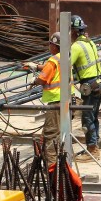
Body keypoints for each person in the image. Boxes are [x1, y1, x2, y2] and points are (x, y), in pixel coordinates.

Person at [22, 32, 72, 166]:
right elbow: (51, 69)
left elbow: (43, 79)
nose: (49, 46)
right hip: (67, 100)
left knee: (50, 135)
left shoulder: (53, 59)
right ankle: (56, 166)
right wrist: (37, 66)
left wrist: (35, 80)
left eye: (51, 44)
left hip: (56, 102)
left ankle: (52, 169)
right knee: (55, 133)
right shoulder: (65, 57)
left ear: (55, 46)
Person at [69, 15, 101, 160]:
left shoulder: (76, 47)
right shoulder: (90, 42)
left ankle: (92, 150)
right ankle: (95, 145)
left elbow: (64, 65)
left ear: (74, 31)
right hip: (99, 83)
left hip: (89, 86)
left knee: (87, 118)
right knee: (94, 116)